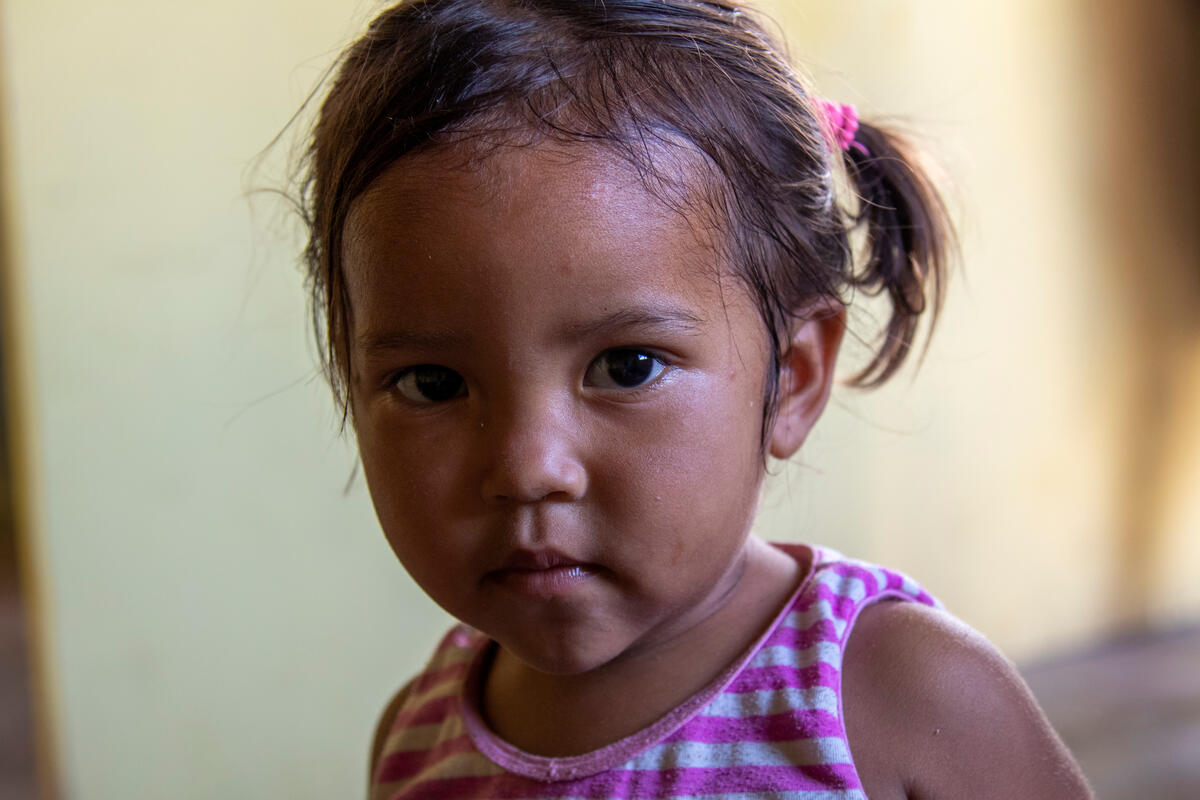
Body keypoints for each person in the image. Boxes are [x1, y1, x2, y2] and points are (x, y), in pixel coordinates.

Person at [292, 1, 1093, 797]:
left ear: (796, 375)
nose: (528, 466)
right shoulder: (416, 743)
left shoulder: (894, 694)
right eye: (433, 384)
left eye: (627, 365)